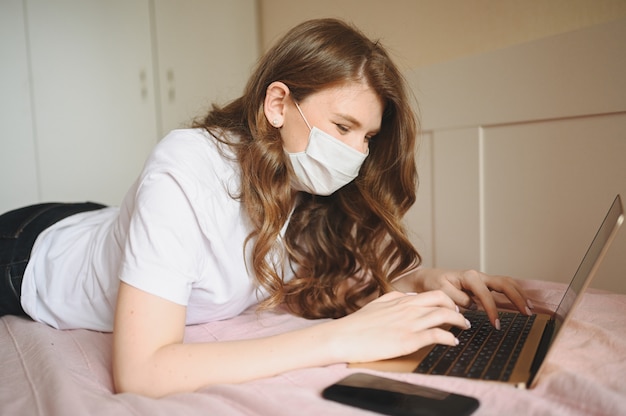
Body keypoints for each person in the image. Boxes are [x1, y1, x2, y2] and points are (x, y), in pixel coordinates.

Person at [0, 18, 532, 397]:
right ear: (278, 105)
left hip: (105, 224)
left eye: (367, 136)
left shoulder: (304, 181)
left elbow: (331, 273)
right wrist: (343, 337)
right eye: (342, 127)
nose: (355, 153)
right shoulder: (186, 165)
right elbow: (141, 373)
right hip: (31, 251)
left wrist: (430, 279)